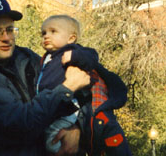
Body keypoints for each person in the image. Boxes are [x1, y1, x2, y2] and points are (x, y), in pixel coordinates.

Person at [0, 0, 91, 156]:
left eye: (10, 29)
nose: (6, 37)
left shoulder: (26, 57)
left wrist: (75, 129)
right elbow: (20, 125)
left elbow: (82, 90)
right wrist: (67, 88)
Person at [37, 14, 132, 156]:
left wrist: (74, 57)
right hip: (49, 107)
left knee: (53, 143)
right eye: (43, 33)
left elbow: (91, 57)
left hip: (67, 111)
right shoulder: (46, 58)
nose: (46, 36)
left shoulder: (73, 51)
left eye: (53, 31)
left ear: (71, 38)